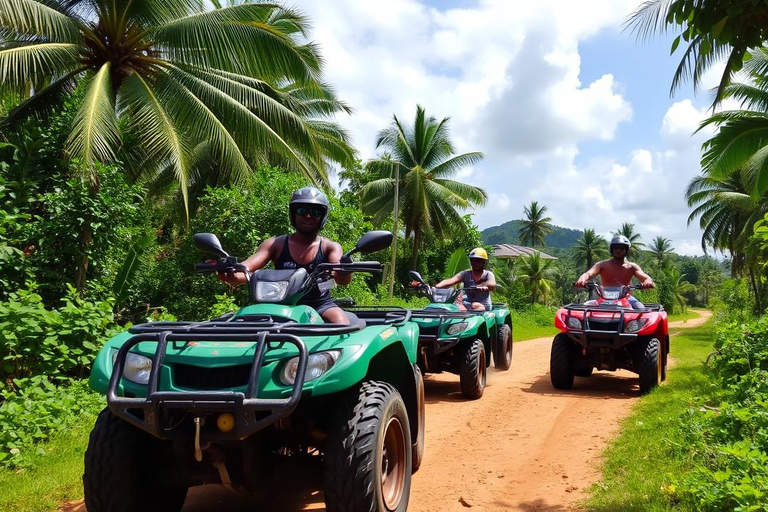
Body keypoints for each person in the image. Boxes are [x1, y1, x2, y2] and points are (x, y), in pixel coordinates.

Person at [218, 186, 352, 324]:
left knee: (342, 324)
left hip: (320, 305)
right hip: (279, 306)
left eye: (314, 212)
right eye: (301, 211)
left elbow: (341, 277)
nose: (307, 216)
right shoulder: (275, 244)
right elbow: (245, 269)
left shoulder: (330, 247)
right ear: (293, 214)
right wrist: (229, 269)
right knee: (240, 327)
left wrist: (344, 271)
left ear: (322, 217)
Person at [575, 235, 654, 309]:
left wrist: (648, 281)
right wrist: (582, 278)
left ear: (626, 250)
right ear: (611, 249)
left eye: (622, 248)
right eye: (615, 248)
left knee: (641, 308)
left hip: (626, 298)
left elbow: (645, 277)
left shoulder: (632, 267)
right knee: (584, 309)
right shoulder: (602, 265)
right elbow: (589, 273)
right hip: (604, 298)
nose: (618, 250)